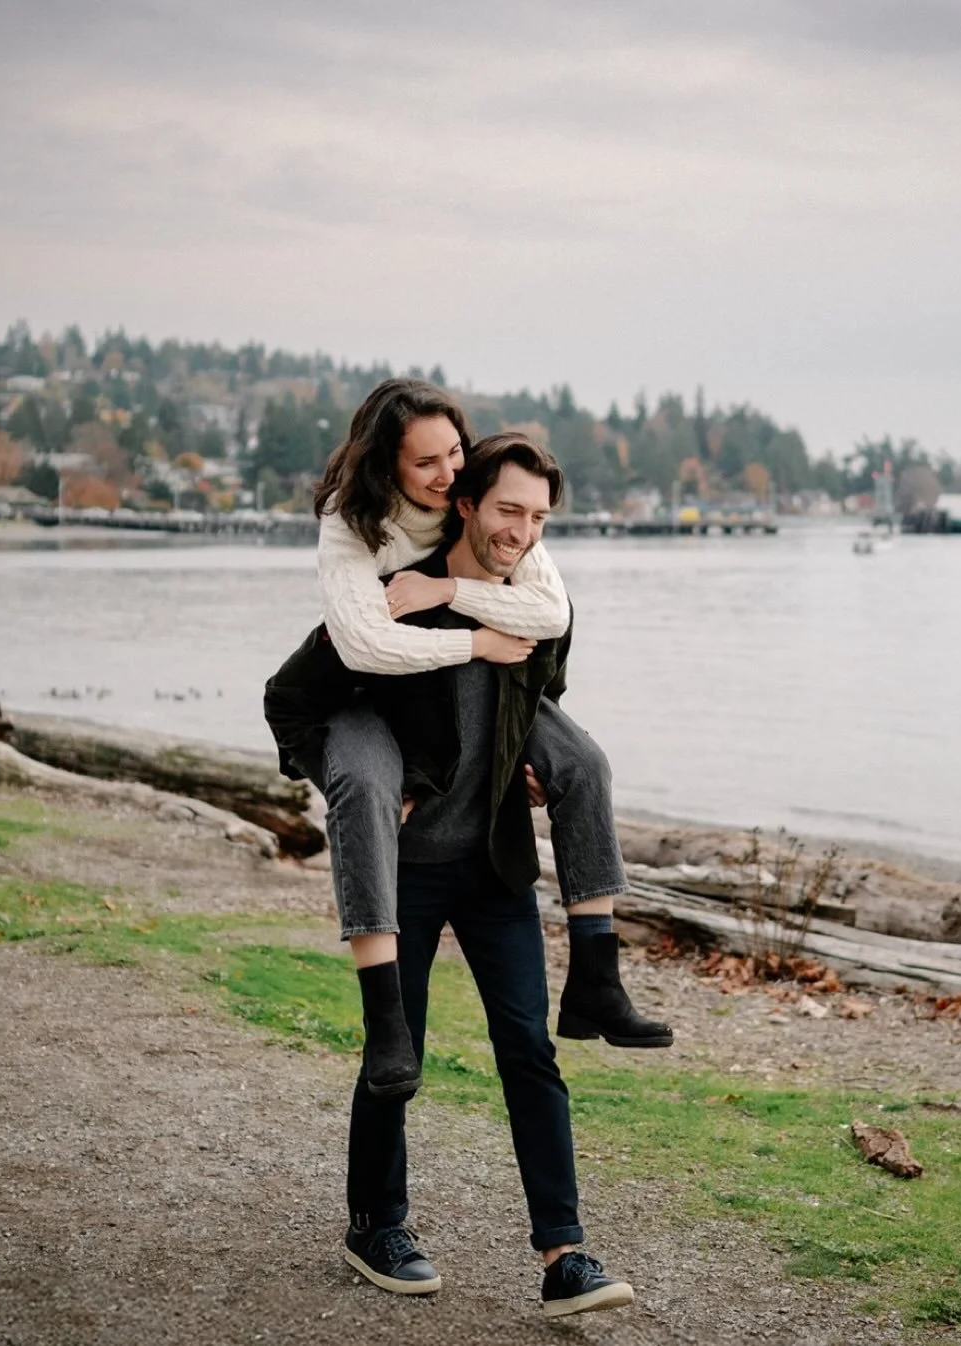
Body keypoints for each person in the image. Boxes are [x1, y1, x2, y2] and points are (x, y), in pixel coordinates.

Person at [264, 378, 671, 1100]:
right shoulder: (351, 521)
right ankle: (385, 1018)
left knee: (583, 764)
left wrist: (449, 597)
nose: (449, 471)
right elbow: (363, 649)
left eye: (454, 451)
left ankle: (597, 981)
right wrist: (478, 643)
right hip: (349, 690)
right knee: (365, 786)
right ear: (387, 466)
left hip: (439, 677)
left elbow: (548, 611)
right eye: (426, 463)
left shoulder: (486, 494)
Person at [337, 433, 635, 1315]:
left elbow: (548, 696)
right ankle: (376, 1223)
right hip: (409, 872)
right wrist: (359, 774)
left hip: (497, 865)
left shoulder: (540, 600)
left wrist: (533, 764)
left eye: (539, 518)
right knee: (397, 1053)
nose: (522, 532)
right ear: (464, 502)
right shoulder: (397, 596)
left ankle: (565, 1252)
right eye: (509, 511)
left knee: (530, 1053)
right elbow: (318, 692)